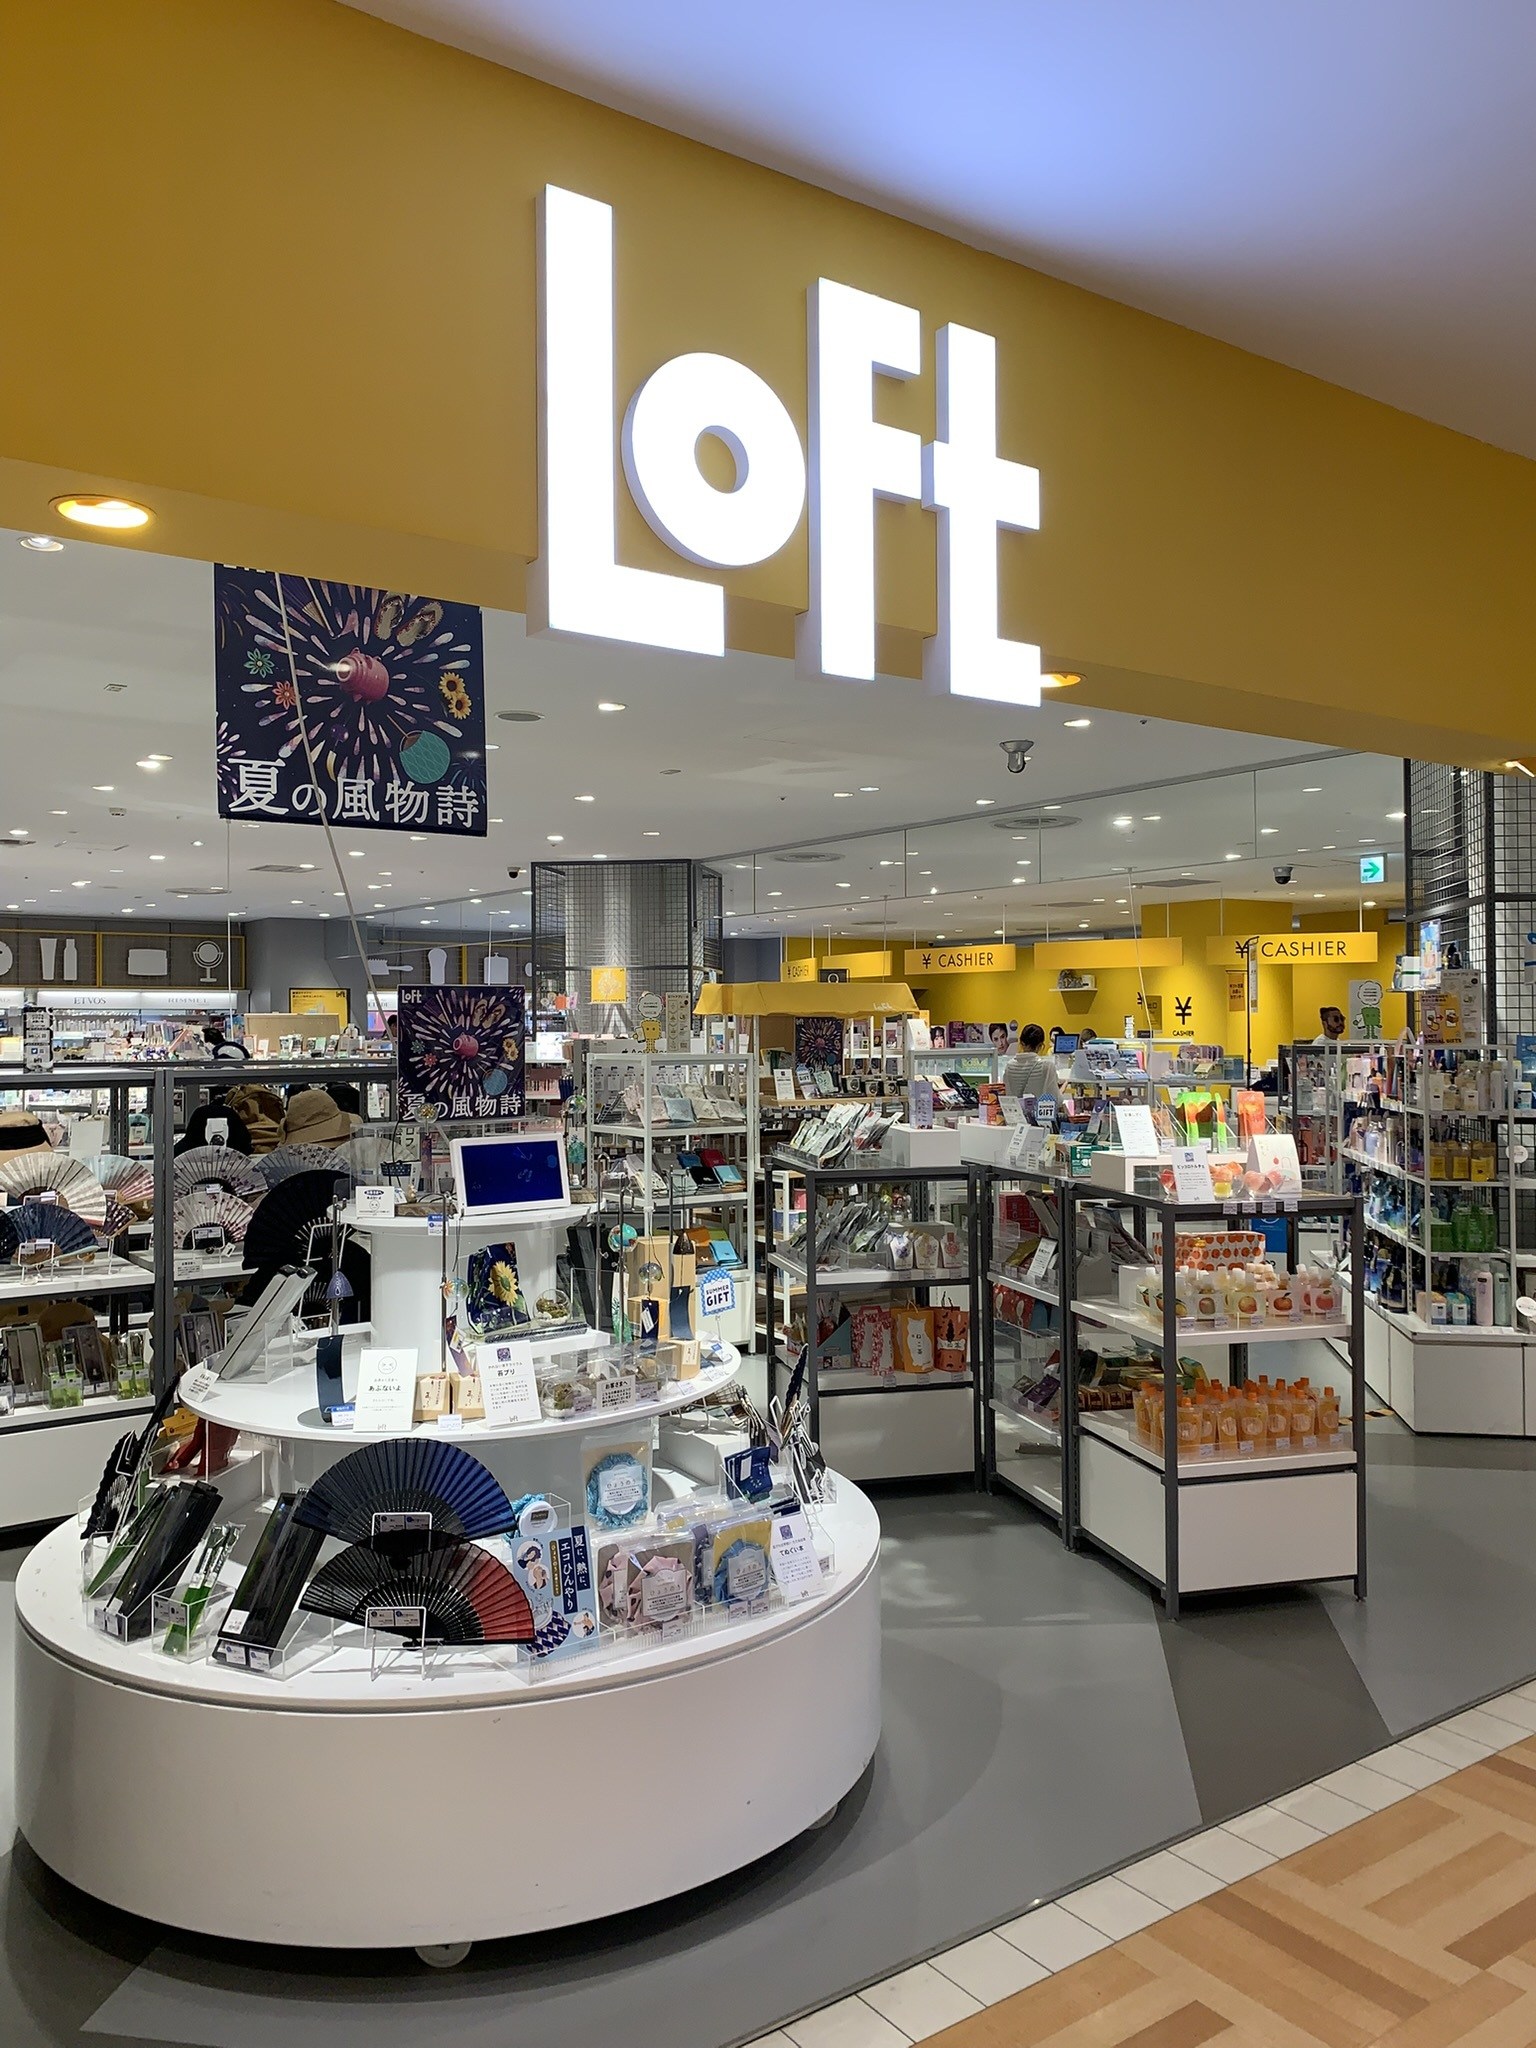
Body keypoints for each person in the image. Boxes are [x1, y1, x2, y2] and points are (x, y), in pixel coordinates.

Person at [1003, 1023, 1061, 1100]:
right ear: (1040, 1046)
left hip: (1015, 1107)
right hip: (1038, 1107)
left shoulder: (1009, 1066)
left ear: (1021, 1043)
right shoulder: (1047, 1066)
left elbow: (1007, 1095)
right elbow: (1056, 1099)